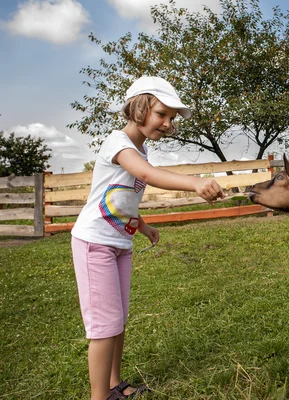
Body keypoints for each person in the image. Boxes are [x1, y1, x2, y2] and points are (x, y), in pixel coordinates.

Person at [71, 76, 224, 400]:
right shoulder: (118, 143)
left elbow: (122, 200)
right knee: (104, 328)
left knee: (118, 320)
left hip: (119, 244)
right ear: (140, 107)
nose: (168, 124)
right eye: (162, 114)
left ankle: (114, 385)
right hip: (93, 242)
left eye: (171, 118)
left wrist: (144, 227)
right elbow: (144, 175)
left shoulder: (139, 149)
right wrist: (195, 183)